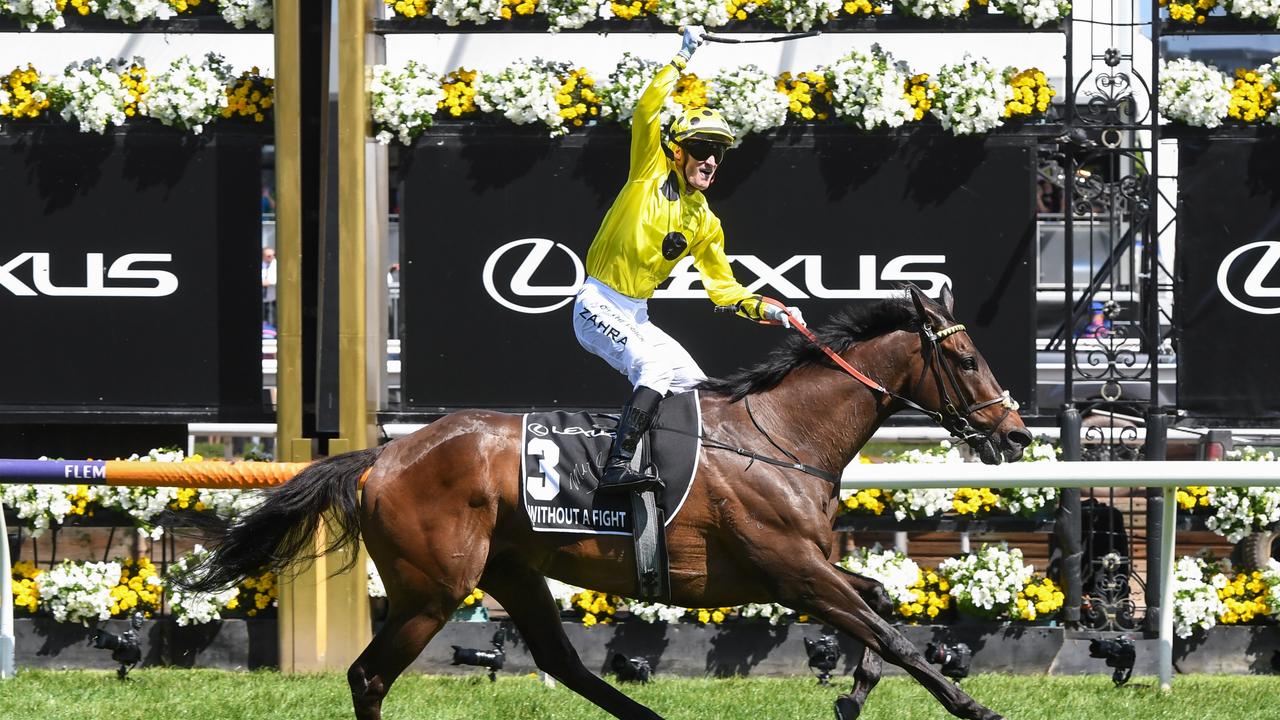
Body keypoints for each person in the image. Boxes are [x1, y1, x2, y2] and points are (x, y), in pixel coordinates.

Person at [573, 26, 804, 494]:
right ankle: (614, 469)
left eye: (719, 153)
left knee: (700, 391)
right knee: (654, 371)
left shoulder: (706, 221)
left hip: (636, 315)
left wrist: (772, 309)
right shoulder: (648, 171)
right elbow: (646, 110)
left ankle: (679, 474)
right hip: (595, 304)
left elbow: (725, 289)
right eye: (702, 150)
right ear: (677, 151)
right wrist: (682, 55)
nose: (712, 160)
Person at [261, 246, 277, 329]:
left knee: (272, 318)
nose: (272, 257)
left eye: (273, 255)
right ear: (263, 256)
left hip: (272, 298)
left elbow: (274, 280)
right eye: (269, 256)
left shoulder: (276, 264)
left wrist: (267, 282)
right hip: (261, 297)